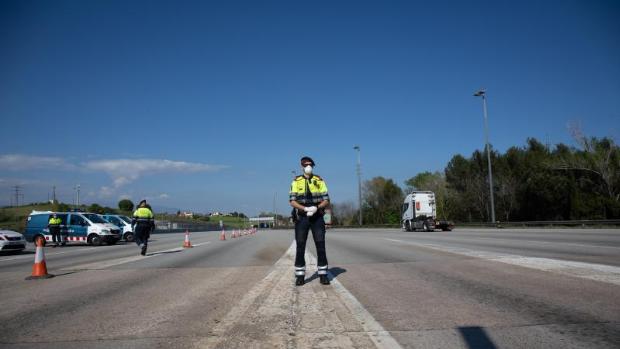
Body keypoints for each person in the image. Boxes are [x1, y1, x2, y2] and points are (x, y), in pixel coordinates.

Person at [289, 156, 331, 286]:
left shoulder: (319, 180)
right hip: (302, 218)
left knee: (321, 246)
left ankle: (323, 274)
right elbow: (292, 201)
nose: (308, 167)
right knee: (300, 247)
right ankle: (300, 275)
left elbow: (326, 200)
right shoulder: (296, 181)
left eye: (311, 165)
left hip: (317, 217)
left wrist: (316, 207)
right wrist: (305, 208)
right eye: (306, 165)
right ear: (302, 167)